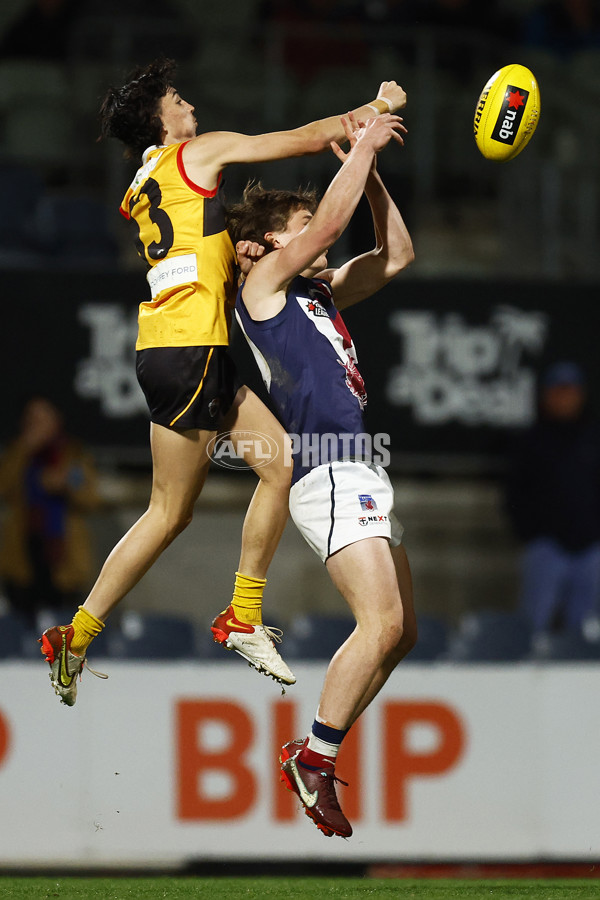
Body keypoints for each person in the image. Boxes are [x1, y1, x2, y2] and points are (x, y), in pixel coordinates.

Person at [39, 56, 408, 706]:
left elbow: (379, 257)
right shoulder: (193, 153)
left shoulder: (140, 183)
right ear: (160, 116)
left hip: (156, 352)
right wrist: (371, 115)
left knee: (168, 511)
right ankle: (242, 611)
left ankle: (78, 631)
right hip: (196, 345)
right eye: (177, 99)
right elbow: (300, 137)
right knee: (285, 463)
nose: (188, 107)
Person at [226, 111, 416, 838]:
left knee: (404, 635)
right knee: (383, 621)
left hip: (361, 467)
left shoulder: (320, 293)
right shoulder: (264, 289)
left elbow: (396, 255)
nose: (314, 232)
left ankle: (316, 749)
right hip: (327, 470)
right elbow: (327, 232)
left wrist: (371, 181)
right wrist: (362, 145)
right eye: (300, 223)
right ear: (267, 243)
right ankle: (316, 756)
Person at [504, 361, 600, 638]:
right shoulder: (531, 440)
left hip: (591, 548)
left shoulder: (594, 438)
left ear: (581, 395)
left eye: (570, 391)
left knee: (587, 630)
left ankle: (585, 681)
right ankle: (524, 678)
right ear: (546, 395)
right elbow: (514, 495)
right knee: (533, 624)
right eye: (558, 391)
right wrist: (532, 533)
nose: (564, 398)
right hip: (546, 547)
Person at [0, 395, 100, 628]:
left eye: (44, 419)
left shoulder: (73, 454)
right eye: (33, 419)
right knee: (20, 622)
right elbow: (3, 486)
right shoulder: (18, 454)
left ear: (57, 421)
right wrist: (25, 448)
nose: (39, 426)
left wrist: (66, 483)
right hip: (23, 553)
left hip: (62, 555)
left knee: (63, 624)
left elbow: (90, 497)